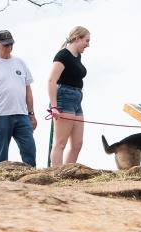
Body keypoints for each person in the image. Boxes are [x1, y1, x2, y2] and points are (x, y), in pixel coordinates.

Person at [0, 29, 37, 167]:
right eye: (5, 45)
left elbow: (28, 89)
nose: (9, 48)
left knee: (30, 149)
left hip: (22, 115)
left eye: (11, 44)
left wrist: (31, 114)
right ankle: (0, 183)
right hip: (0, 116)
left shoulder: (20, 63)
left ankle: (32, 181)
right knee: (1, 156)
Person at [48, 26, 90, 167]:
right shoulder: (62, 55)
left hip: (77, 99)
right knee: (60, 142)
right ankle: (57, 175)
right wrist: (54, 106)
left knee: (77, 143)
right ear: (77, 38)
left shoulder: (78, 56)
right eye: (86, 41)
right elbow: (51, 81)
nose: (88, 45)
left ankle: (67, 173)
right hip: (64, 97)